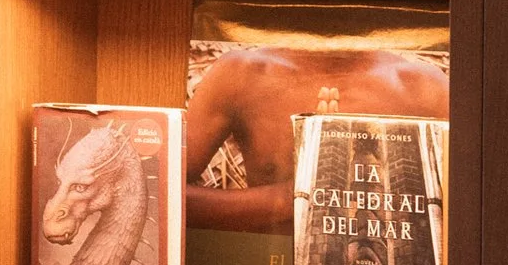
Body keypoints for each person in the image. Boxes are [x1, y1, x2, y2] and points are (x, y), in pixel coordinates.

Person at [182, 30, 447, 231]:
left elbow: (472, 213)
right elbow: (163, 195)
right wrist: (293, 196)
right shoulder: (242, 73)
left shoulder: (424, 89)